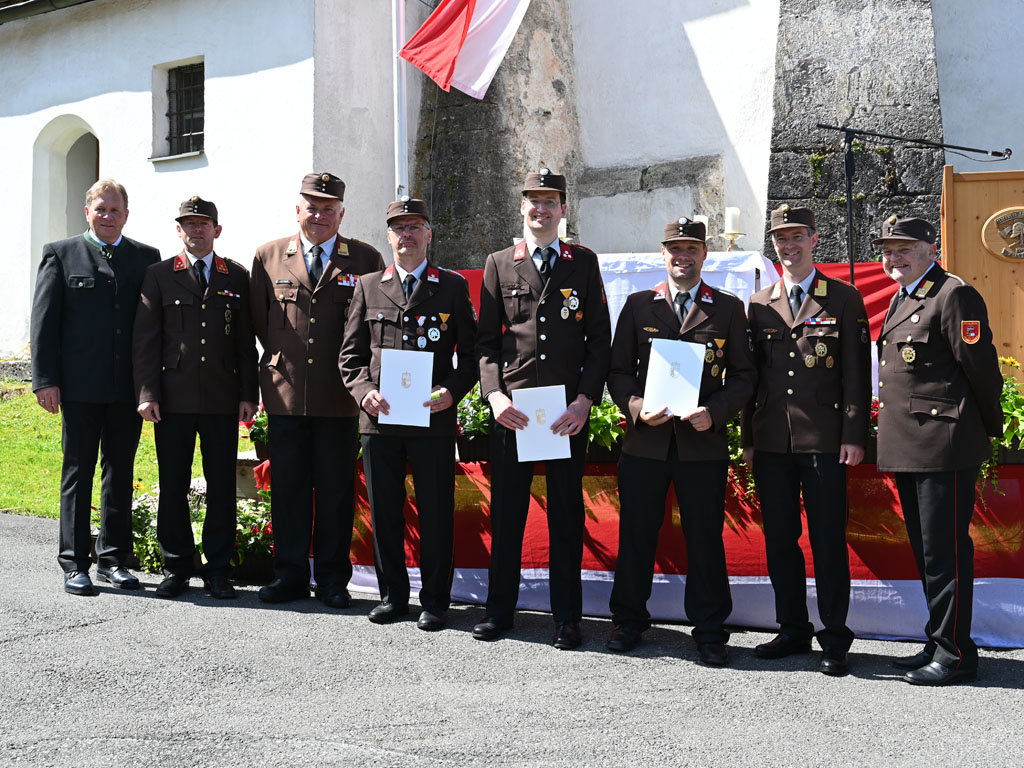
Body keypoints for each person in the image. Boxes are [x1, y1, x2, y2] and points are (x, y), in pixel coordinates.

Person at [605, 217, 755, 665]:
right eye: (675, 249)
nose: (683, 257)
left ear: (705, 254)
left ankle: (710, 630)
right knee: (636, 533)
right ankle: (628, 620)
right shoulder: (638, 306)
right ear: (663, 253)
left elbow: (744, 376)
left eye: (691, 249)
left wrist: (716, 412)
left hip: (701, 445)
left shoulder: (727, 308)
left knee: (705, 538)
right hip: (646, 444)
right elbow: (618, 372)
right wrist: (636, 408)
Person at [474, 168, 612, 648]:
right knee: (507, 515)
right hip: (514, 413)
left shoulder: (583, 262)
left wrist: (584, 401)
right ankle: (499, 612)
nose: (541, 208)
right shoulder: (499, 263)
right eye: (534, 200)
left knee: (566, 519)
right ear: (522, 207)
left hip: (563, 416)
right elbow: (486, 344)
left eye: (550, 201)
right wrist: (494, 396)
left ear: (563, 209)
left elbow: (599, 342)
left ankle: (567, 618)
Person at [742, 204, 870, 676]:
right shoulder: (759, 303)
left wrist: (854, 434)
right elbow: (750, 378)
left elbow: (857, 375)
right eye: (781, 238)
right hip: (772, 441)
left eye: (797, 236)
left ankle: (834, 638)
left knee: (827, 541)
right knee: (780, 540)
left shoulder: (843, 298)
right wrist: (748, 438)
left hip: (825, 441)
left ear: (815, 239)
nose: (789, 246)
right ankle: (792, 628)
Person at [874, 216, 1003, 686]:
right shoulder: (903, 297)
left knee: (945, 553)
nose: (895, 257)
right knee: (929, 553)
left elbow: (982, 370)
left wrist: (986, 427)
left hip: (944, 445)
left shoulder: (953, 295)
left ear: (932, 249)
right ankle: (939, 639)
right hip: (911, 444)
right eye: (888, 250)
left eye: (906, 248)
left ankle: (956, 655)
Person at [340, 197, 478, 630]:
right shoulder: (368, 286)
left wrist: (451, 392)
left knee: (435, 511)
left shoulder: (451, 286)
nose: (407, 235)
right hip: (379, 420)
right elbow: (350, 356)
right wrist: (364, 392)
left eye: (415, 226)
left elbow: (471, 357)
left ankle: (435, 600)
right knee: (385, 512)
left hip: (431, 419)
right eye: (399, 228)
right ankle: (392, 596)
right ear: (389, 236)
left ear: (428, 234)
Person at [249, 173, 384, 607]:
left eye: (329, 209)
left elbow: (373, 326)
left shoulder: (364, 258)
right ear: (298, 210)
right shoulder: (268, 256)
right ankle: (288, 576)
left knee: (335, 493)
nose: (320, 215)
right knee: (287, 490)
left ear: (341, 214)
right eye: (312, 207)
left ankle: (331, 580)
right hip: (286, 393)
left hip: (339, 396)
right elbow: (259, 322)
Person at [31, 179, 160, 596]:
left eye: (115, 210)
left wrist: (150, 386)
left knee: (120, 472)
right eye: (100, 209)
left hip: (126, 388)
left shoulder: (146, 258)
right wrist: (45, 380)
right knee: (78, 471)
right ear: (87, 211)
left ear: (126, 214)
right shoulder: (61, 253)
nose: (107, 216)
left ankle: (113, 559)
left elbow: (151, 326)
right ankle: (74, 562)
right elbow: (45, 322)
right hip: (79, 387)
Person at [132, 197, 258, 599]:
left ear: (217, 230)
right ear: (179, 230)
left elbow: (245, 342)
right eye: (189, 224)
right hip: (173, 399)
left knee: (222, 486)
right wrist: (147, 393)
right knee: (173, 485)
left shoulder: (235, 275)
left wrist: (248, 394)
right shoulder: (159, 275)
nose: (196, 230)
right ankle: (177, 566)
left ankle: (218, 569)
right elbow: (146, 340)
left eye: (203, 224)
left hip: (222, 398)